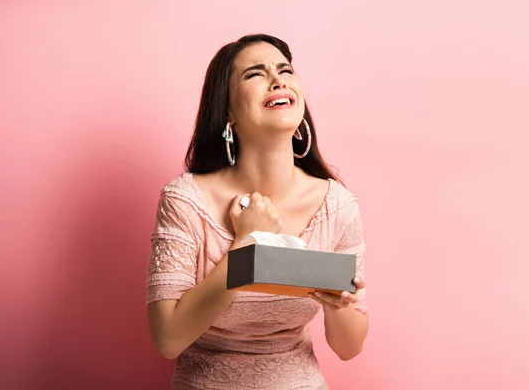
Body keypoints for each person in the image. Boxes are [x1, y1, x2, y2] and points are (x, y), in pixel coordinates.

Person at [146, 34, 369, 389]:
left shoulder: (337, 205)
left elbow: (348, 347)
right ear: (228, 111)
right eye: (255, 73)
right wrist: (245, 246)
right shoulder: (186, 199)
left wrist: (338, 305)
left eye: (285, 70)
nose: (278, 79)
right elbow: (168, 339)